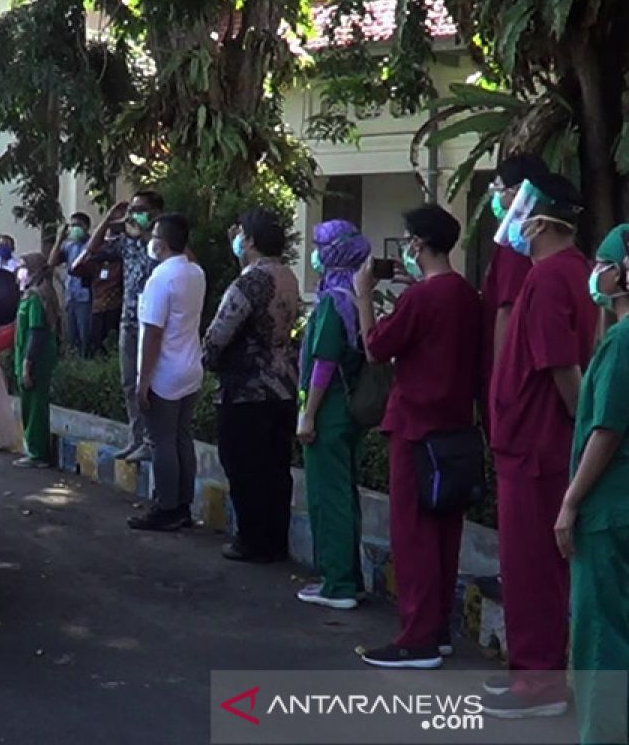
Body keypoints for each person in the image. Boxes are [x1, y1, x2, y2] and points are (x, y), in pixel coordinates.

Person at [485, 174, 597, 716]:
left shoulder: (552, 278)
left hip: (536, 449)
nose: (507, 212)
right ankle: (534, 675)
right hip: (535, 446)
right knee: (532, 568)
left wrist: (581, 433)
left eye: (515, 204)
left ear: (540, 220)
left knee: (530, 570)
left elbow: (563, 367)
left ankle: (539, 685)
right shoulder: (569, 273)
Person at [355, 205, 483, 667]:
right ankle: (438, 628)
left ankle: (416, 637)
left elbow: (376, 348)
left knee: (413, 537)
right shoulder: (468, 296)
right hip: (455, 429)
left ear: (418, 244)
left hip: (414, 428)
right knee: (445, 533)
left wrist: (364, 297)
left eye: (408, 240)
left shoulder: (421, 299)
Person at [551, 224, 629, 745]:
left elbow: (606, 428)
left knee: (600, 640)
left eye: (603, 263)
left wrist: (570, 503)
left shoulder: (623, 342)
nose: (594, 274)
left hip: (607, 510)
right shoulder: (615, 336)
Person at [203, 208, 301, 563]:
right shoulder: (287, 275)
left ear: (252, 241)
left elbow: (219, 335)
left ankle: (252, 540)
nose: (237, 239)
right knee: (276, 468)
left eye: (241, 233)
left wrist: (208, 359)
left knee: (244, 466)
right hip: (283, 386)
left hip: (246, 390)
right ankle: (274, 540)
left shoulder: (249, 282)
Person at [293, 220, 370, 606]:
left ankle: (336, 583)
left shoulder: (331, 301)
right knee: (344, 492)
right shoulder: (357, 295)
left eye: (320, 244)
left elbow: (324, 361)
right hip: (347, 409)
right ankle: (348, 577)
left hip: (329, 410)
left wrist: (308, 414)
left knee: (329, 497)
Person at [73, 190, 166, 463]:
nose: (134, 214)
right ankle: (137, 438)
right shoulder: (125, 242)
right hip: (129, 320)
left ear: (156, 213)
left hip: (155, 323)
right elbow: (91, 251)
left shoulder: (164, 243)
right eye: (133, 209)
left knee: (151, 384)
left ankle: (153, 440)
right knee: (129, 383)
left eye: (141, 209)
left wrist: (150, 233)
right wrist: (109, 220)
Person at [128, 214, 206, 531]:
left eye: (154, 235)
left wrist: (143, 381)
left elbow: (153, 334)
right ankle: (183, 504)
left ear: (161, 242)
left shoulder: (161, 278)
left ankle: (166, 506)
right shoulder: (195, 272)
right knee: (181, 439)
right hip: (190, 368)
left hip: (165, 373)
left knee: (162, 442)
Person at [482, 155, 548, 429]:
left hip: (515, 377)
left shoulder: (515, 244)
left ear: (517, 192)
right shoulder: (543, 238)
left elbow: (507, 310)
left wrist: (500, 381)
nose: (495, 197)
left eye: (497, 189)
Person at [13, 251, 61, 468]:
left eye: (23, 266)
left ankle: (37, 453)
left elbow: (37, 332)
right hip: (29, 356)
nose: (19, 270)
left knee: (35, 406)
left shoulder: (36, 297)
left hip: (35, 359)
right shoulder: (32, 293)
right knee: (31, 404)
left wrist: (27, 364)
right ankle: (35, 449)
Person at [48, 212, 95, 356]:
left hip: (86, 296)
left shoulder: (92, 244)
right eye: (72, 225)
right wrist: (59, 239)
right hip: (71, 296)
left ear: (86, 227)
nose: (74, 229)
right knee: (71, 338)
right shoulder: (69, 246)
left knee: (85, 337)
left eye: (78, 226)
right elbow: (52, 262)